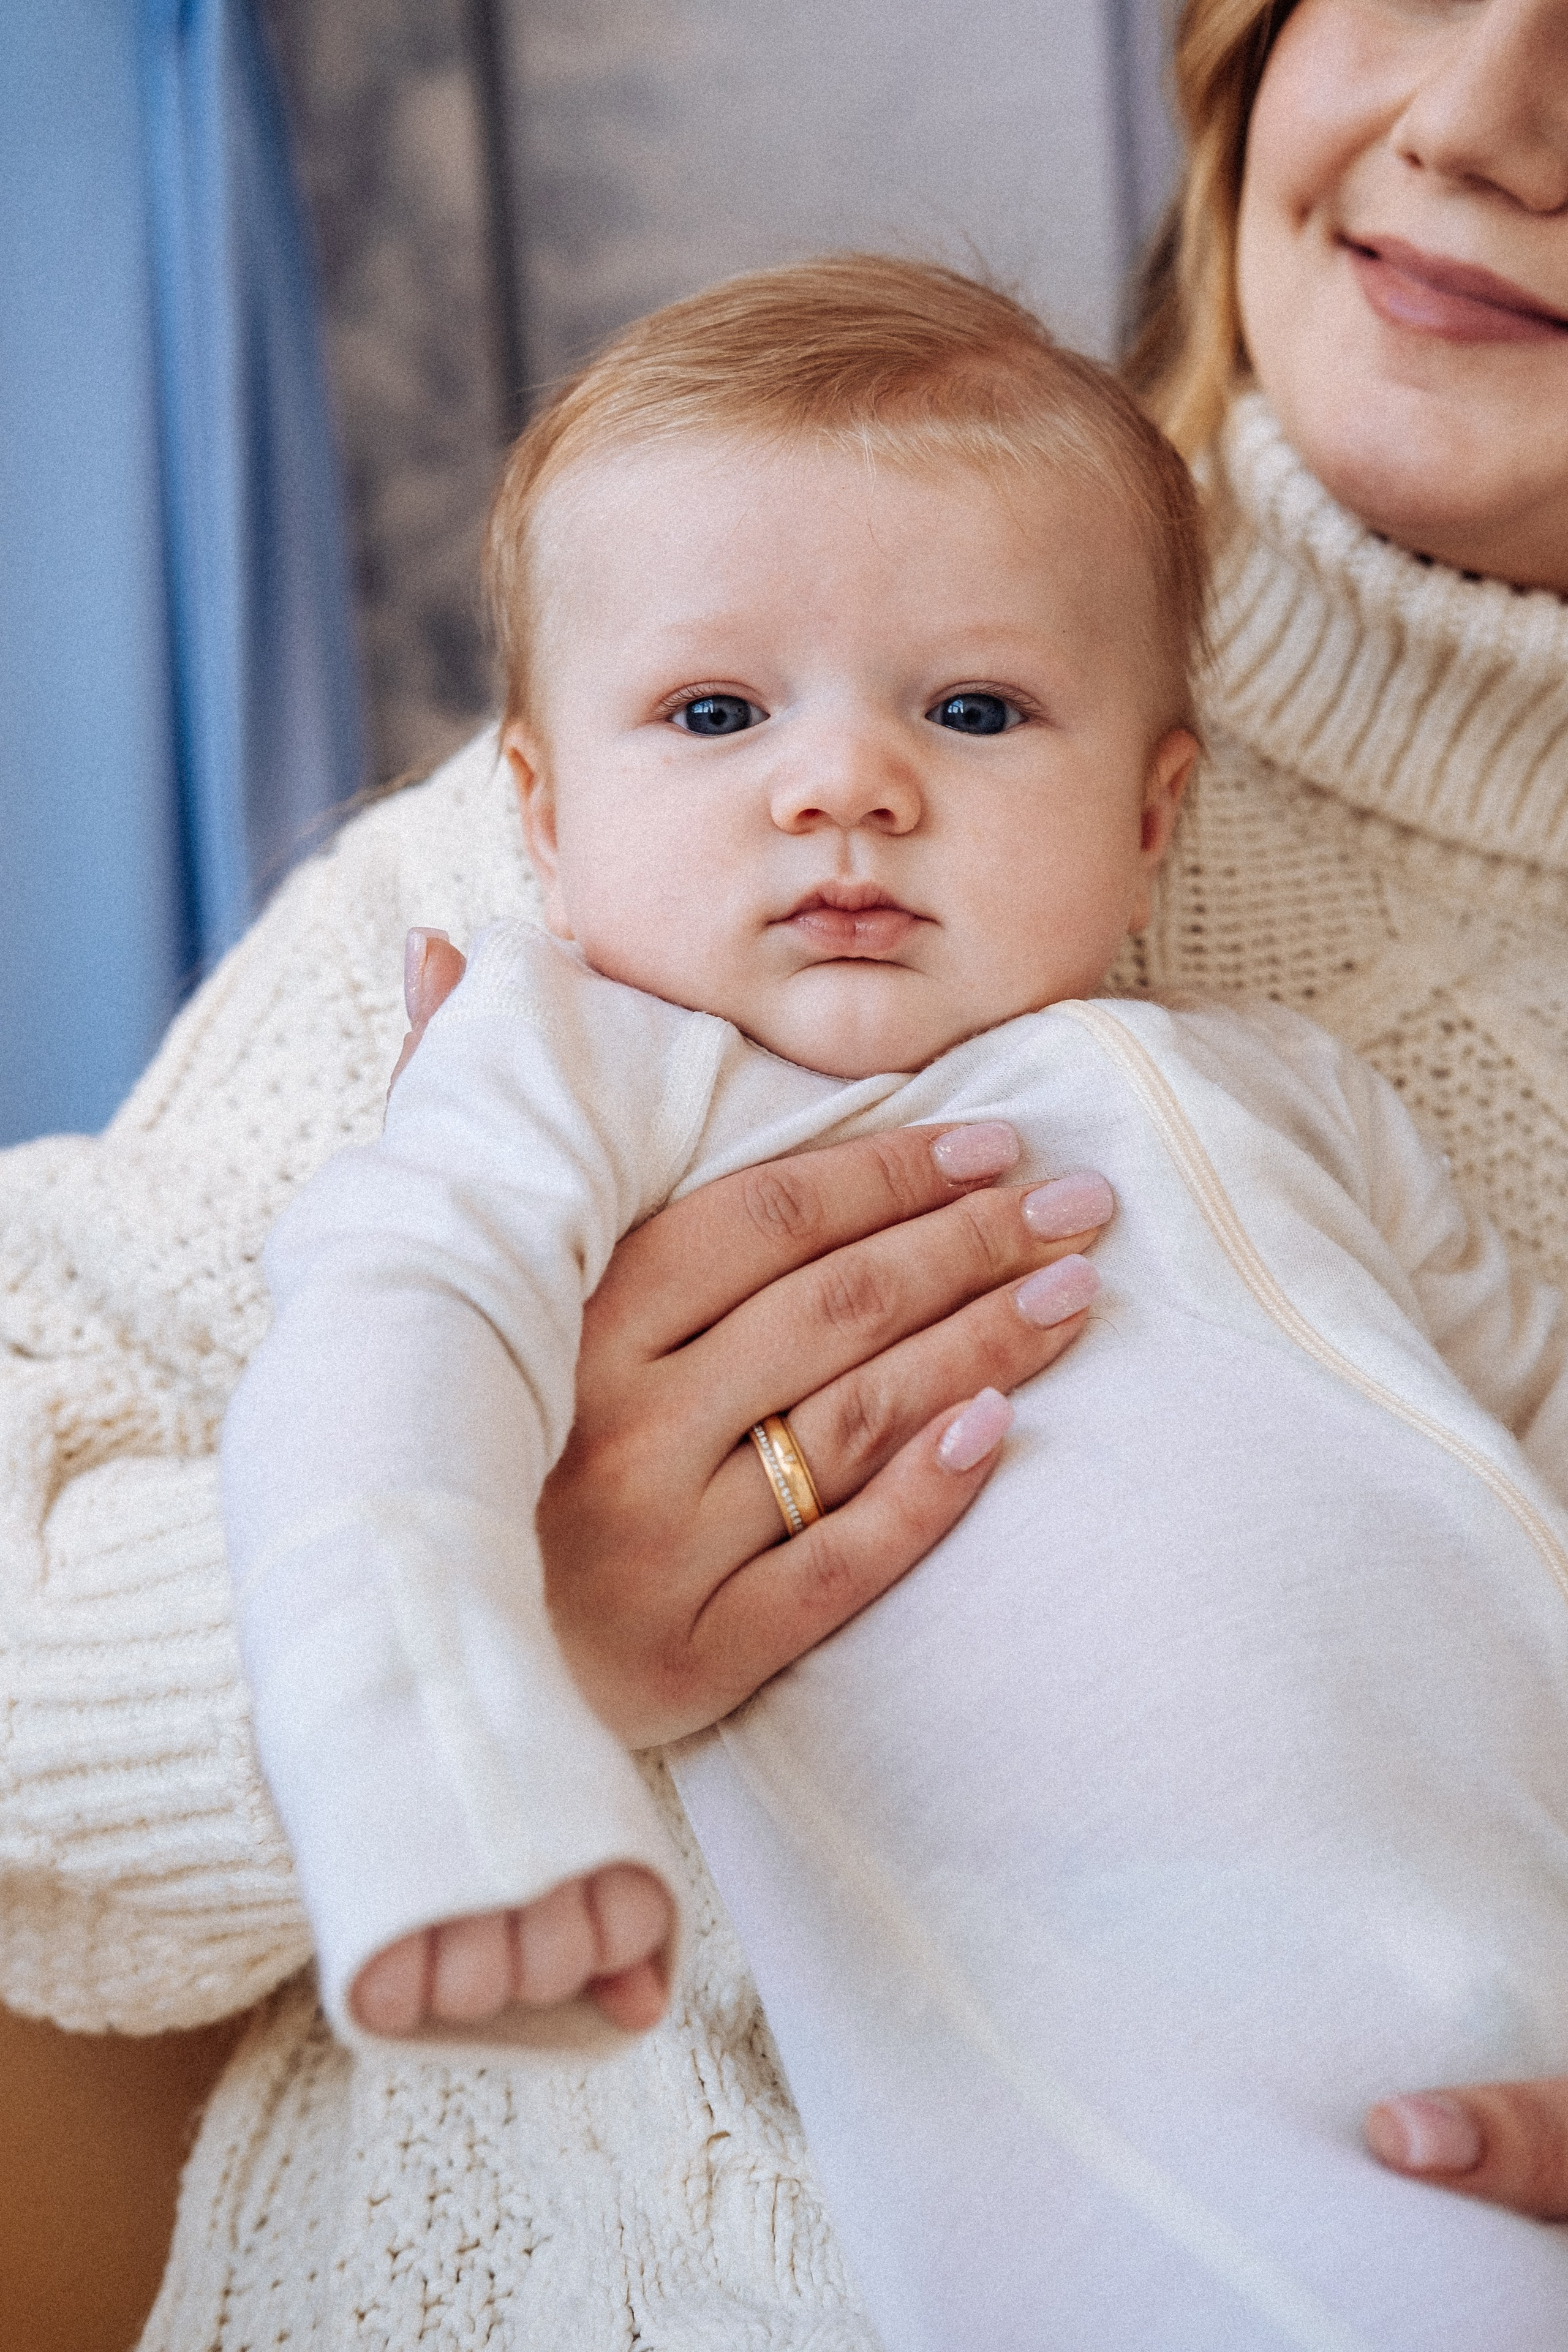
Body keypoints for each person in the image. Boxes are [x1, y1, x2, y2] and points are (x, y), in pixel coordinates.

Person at [2, 0, 1567, 2341]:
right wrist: (488, 1661)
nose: (1485, 116)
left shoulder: (1240, 1083)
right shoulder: (599, 910)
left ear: (1150, 808)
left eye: (977, 712)